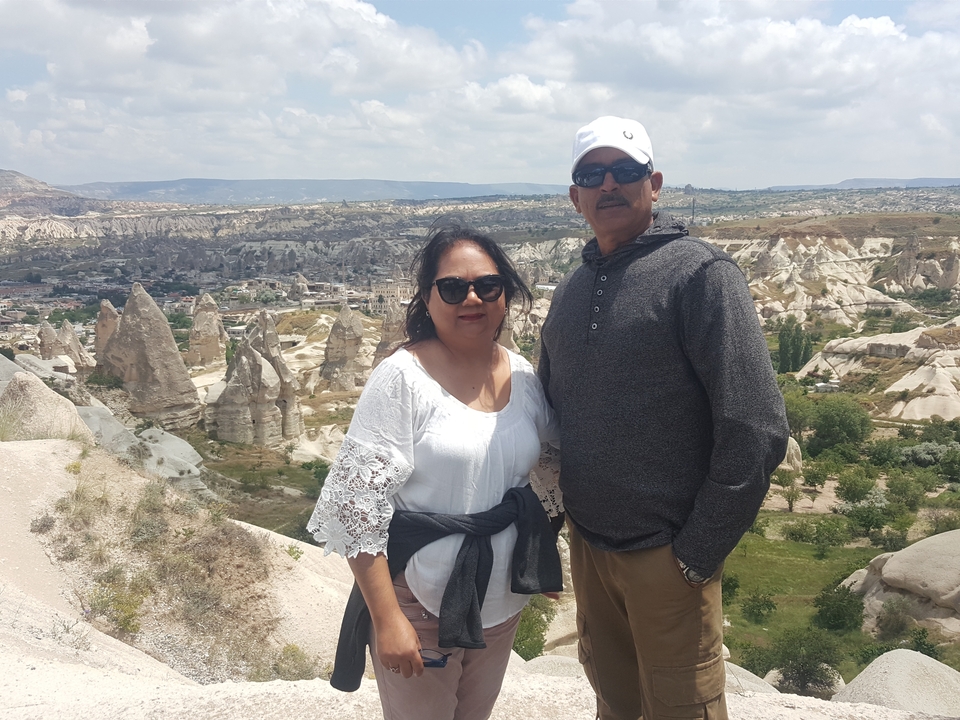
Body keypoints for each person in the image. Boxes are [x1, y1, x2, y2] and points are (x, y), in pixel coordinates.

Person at [538, 115, 789, 720]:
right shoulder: (572, 291)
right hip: (591, 551)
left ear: (653, 184)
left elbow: (755, 425)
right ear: (575, 198)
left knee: (684, 708)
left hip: (666, 556)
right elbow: (550, 420)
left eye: (624, 172)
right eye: (591, 175)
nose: (609, 185)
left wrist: (696, 554)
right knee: (614, 701)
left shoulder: (699, 274)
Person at [307, 224, 563, 720]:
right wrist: (387, 620)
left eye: (487, 285)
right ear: (428, 299)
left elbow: (550, 461)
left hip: (502, 598)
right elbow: (355, 507)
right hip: (420, 603)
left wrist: (541, 546)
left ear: (505, 295)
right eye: (452, 287)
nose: (472, 298)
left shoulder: (523, 374)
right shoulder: (403, 379)